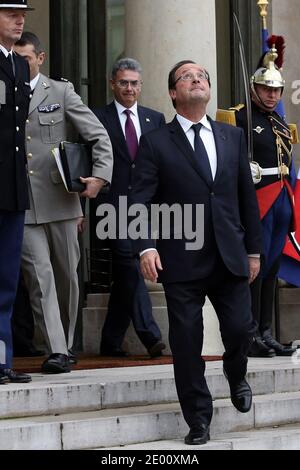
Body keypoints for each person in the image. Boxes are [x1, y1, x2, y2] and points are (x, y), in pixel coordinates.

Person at [130, 60, 262, 445]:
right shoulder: (155, 141)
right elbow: (138, 200)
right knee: (187, 342)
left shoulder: (231, 136)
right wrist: (146, 247)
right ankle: (198, 418)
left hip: (229, 255)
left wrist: (253, 250)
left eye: (202, 75)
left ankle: (236, 374)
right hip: (181, 258)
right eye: (187, 76)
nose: (197, 79)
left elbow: (245, 198)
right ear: (174, 92)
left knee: (240, 330)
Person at [14, 32, 113, 374]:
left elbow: (97, 135)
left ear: (40, 58)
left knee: (67, 276)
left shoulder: (60, 91)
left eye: (25, 57)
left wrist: (99, 176)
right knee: (38, 276)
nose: (18, 62)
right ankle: (55, 348)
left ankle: (67, 342)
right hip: (21, 203)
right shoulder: (3, 90)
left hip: (60, 199)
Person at [94, 58, 166, 358]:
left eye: (134, 83)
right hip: (112, 208)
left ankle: (110, 340)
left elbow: (162, 164)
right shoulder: (97, 117)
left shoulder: (155, 118)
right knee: (129, 263)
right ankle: (151, 336)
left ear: (141, 85)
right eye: (123, 82)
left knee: (125, 276)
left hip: (147, 208)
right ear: (113, 83)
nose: (129, 88)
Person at [233, 42, 296, 357]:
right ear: (254, 88)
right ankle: (250, 333)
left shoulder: (281, 122)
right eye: (265, 89)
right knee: (255, 268)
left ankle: (266, 330)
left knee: (271, 267)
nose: (271, 95)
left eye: (276, 90)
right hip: (260, 200)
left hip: (282, 199)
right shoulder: (241, 118)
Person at [0, 0, 34, 385]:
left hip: (12, 187)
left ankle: (2, 359)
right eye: (10, 13)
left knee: (7, 280)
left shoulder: (20, 65)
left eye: (22, 14)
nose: (19, 19)